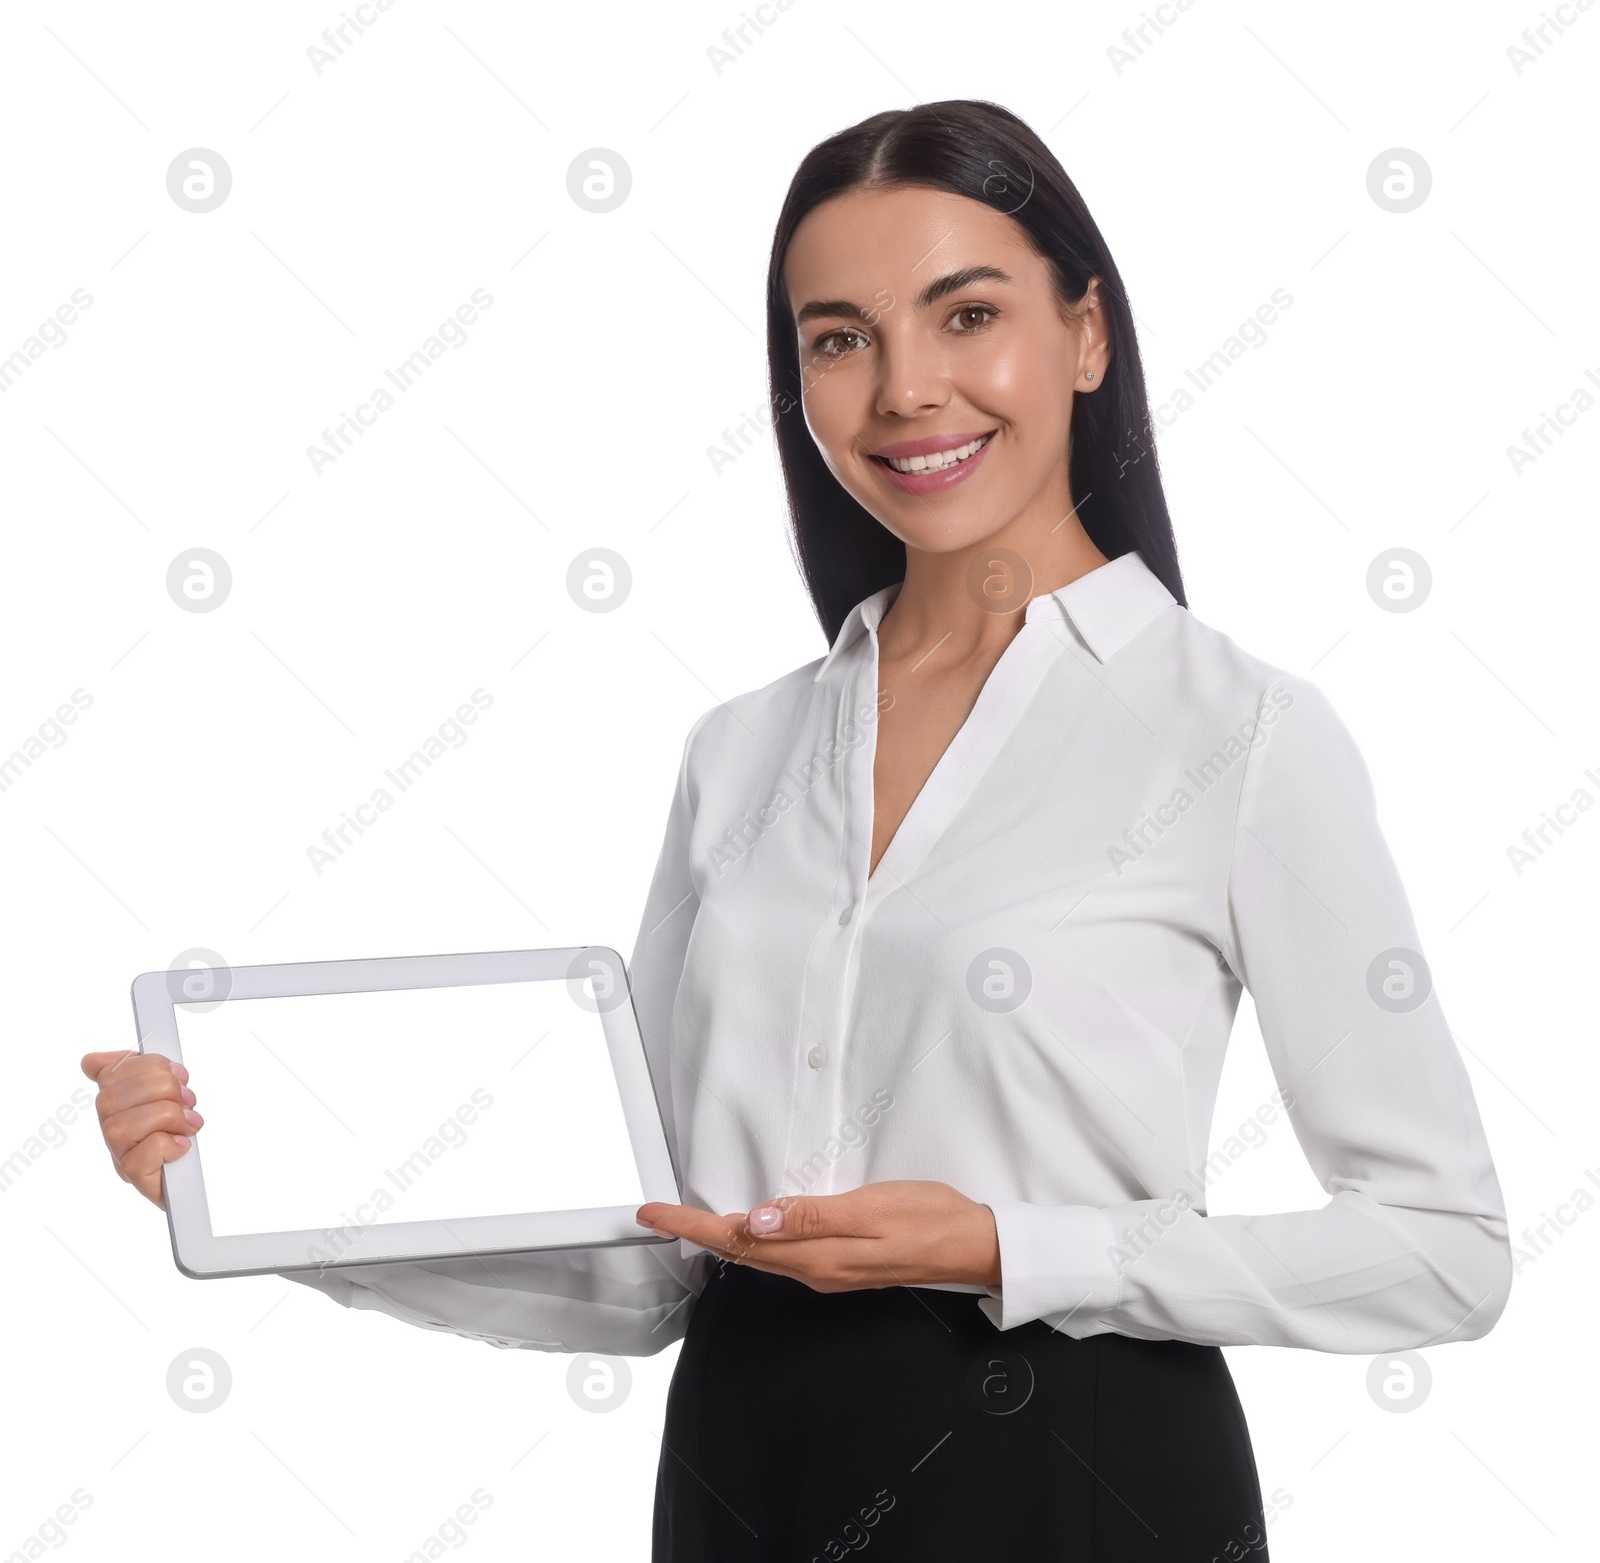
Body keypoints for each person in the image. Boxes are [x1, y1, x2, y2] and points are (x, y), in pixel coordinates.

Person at [85, 100, 1511, 1560]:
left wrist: (1007, 1246)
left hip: (1076, 1477)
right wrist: (259, 1183)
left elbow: (1442, 1253)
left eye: (968, 315)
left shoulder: (1241, 736)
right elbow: (645, 1265)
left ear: (1085, 334)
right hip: (742, 1472)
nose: (907, 389)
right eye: (840, 339)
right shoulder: (742, 753)